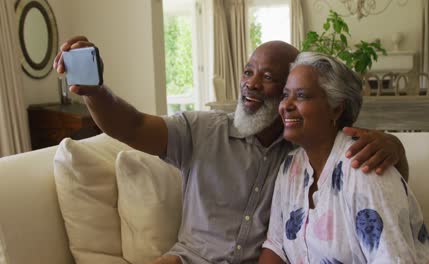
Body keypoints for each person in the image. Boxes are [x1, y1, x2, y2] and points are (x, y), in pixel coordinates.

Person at [54, 37, 409, 264]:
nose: (251, 84)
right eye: (247, 71)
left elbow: (378, 196)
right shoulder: (203, 130)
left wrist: (395, 147)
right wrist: (94, 90)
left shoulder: (300, 156)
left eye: (269, 78)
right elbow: (129, 126)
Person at [259, 52, 429, 264]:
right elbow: (276, 245)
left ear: (336, 108)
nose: (286, 106)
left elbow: (394, 259)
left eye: (302, 95)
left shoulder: (366, 165)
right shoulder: (290, 167)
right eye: (285, 95)